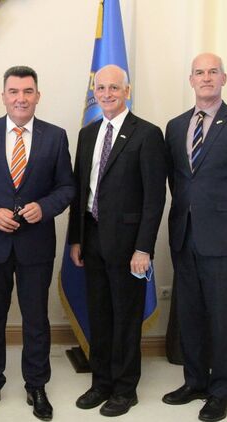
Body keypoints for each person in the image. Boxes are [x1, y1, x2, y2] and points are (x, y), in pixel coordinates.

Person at [0, 65, 75, 421]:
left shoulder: (55, 136)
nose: (20, 98)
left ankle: (36, 385)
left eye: (27, 91)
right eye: (14, 91)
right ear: (3, 96)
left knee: (36, 319)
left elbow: (66, 187)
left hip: (35, 245)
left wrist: (46, 207)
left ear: (38, 96)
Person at [162, 53, 227, 422]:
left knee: (223, 319)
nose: (206, 77)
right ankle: (195, 382)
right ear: (191, 80)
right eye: (199, 72)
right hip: (185, 236)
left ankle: (221, 391)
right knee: (190, 315)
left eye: (212, 72)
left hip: (225, 241)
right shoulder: (175, 126)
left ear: (224, 78)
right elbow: (178, 182)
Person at [67, 64, 167, 416]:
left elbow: (155, 198)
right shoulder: (88, 134)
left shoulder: (147, 134)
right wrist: (76, 239)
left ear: (127, 90)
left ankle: (125, 389)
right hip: (92, 239)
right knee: (99, 314)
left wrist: (144, 248)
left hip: (128, 246)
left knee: (125, 317)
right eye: (101, 88)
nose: (107, 94)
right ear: (94, 92)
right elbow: (80, 191)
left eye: (114, 87)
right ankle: (101, 383)